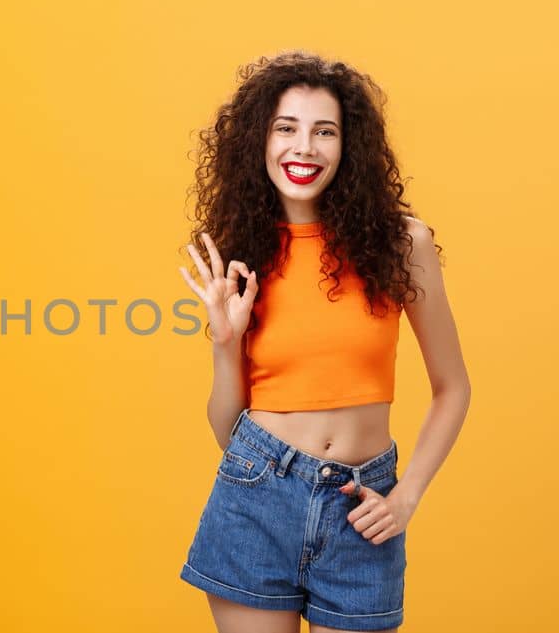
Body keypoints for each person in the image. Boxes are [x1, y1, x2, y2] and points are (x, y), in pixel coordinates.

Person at [175, 50, 472, 633]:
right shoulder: (243, 254)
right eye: (285, 128)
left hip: (364, 510)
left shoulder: (399, 243)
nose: (303, 148)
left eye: (324, 131)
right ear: (259, 142)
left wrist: (406, 497)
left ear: (349, 146)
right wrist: (223, 343)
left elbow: (453, 387)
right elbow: (226, 431)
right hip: (255, 501)